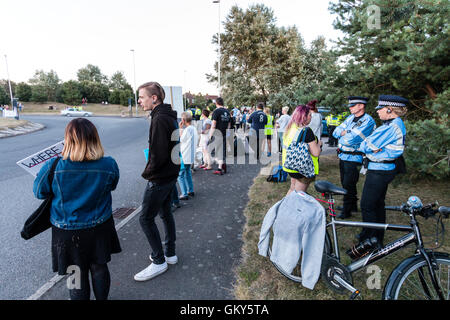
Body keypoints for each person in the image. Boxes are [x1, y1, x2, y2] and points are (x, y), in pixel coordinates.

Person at [33, 118, 121, 300]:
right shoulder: (109, 164)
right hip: (99, 226)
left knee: (75, 273)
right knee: (99, 266)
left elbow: (39, 192)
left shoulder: (53, 166)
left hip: (66, 231)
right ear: (94, 138)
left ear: (68, 139)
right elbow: (112, 185)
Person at [134, 82, 180, 282]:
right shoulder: (168, 115)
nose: (139, 100)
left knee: (145, 218)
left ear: (154, 98)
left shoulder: (159, 118)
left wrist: (148, 174)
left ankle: (159, 260)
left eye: (142, 97)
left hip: (160, 178)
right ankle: (169, 253)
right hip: (170, 175)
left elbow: (158, 154)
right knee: (165, 213)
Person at [357, 95, 408, 246]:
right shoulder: (392, 124)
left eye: (380, 109)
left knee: (367, 205)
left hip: (380, 170)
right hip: (382, 168)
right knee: (377, 204)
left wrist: (370, 147)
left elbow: (365, 146)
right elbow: (371, 144)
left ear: (389, 109)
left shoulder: (392, 126)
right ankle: (376, 237)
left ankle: (370, 240)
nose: (378, 112)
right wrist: (374, 147)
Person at [332, 96, 376, 219]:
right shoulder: (351, 117)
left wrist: (345, 133)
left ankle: (346, 210)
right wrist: (344, 132)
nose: (350, 108)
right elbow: (336, 131)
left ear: (361, 106)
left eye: (353, 105)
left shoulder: (368, 120)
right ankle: (352, 205)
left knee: (348, 183)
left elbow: (351, 140)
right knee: (345, 183)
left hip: (354, 157)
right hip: (343, 156)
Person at [282, 105, 321, 195]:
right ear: (304, 117)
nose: (311, 117)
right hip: (302, 169)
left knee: (292, 189)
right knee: (299, 195)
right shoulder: (307, 131)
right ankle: (290, 208)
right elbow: (316, 153)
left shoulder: (290, 127)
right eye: (310, 115)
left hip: (290, 165)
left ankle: (285, 206)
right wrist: (319, 144)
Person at [178, 111, 199, 200]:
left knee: (180, 174)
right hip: (191, 155)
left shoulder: (187, 130)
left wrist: (180, 128)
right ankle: (190, 190)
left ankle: (184, 193)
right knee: (187, 173)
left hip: (185, 154)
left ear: (183, 119)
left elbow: (181, 139)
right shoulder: (193, 128)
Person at [210, 97, 231, 175]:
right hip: (224, 134)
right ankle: (222, 164)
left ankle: (220, 168)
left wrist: (210, 135)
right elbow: (229, 125)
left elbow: (213, 125)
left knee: (218, 151)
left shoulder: (216, 111)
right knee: (221, 150)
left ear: (216, 103)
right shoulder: (227, 112)